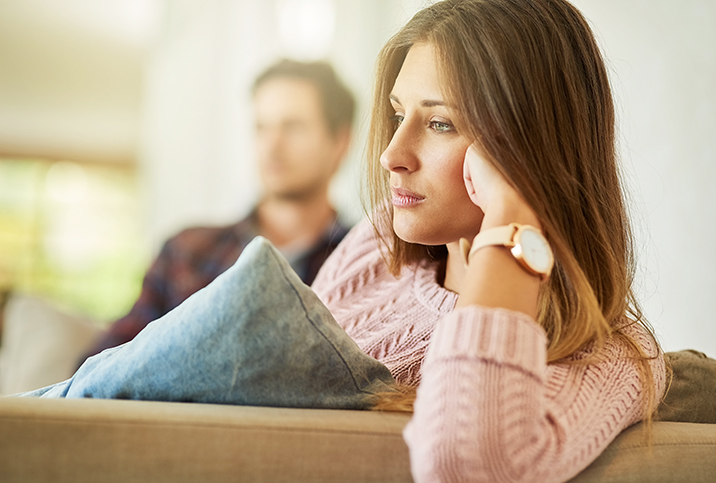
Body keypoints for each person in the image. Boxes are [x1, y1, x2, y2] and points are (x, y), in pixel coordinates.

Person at [23, 1, 666, 482]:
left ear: (528, 147)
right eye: (396, 115)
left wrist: (513, 232)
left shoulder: (612, 359)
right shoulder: (376, 250)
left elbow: (463, 461)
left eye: (439, 122)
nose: (391, 154)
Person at [82, 59, 355, 358]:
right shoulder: (187, 252)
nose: (271, 146)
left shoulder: (370, 263)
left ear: (339, 142)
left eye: (293, 127)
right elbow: (100, 367)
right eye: (261, 127)